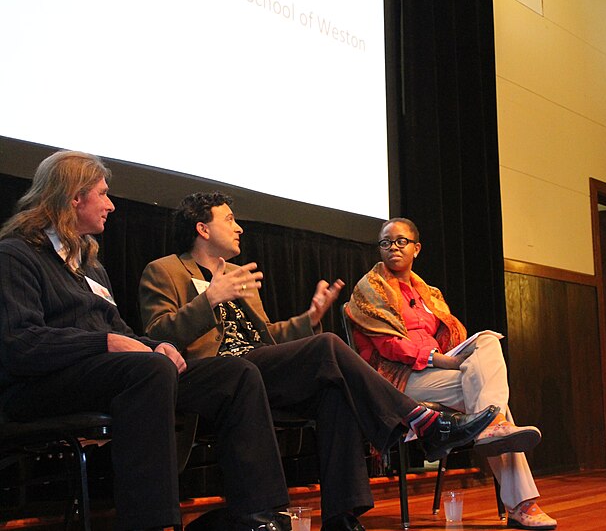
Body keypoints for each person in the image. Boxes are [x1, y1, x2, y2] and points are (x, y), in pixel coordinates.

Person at [137, 192, 499, 531]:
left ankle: (341, 514)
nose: (239, 227)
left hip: (257, 369)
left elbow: (268, 337)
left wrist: (309, 318)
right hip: (212, 376)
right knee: (326, 346)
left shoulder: (237, 276)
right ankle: (423, 422)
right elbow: (157, 334)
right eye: (230, 220)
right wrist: (210, 299)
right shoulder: (165, 270)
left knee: (334, 391)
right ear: (202, 229)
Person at [0, 151, 295, 531]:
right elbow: (19, 344)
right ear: (75, 197)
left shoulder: (89, 264)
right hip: (39, 387)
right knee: (149, 370)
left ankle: (257, 517)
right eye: (103, 194)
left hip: (109, 375)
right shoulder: (16, 255)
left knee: (235, 374)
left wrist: (155, 345)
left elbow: (119, 330)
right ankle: (151, 524)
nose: (110, 205)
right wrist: (105, 344)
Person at [347, 218, 557, 530]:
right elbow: (389, 346)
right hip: (400, 378)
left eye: (400, 241)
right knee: (488, 404)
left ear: (416, 248)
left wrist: (454, 357)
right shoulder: (368, 290)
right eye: (385, 242)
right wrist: (438, 359)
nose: (393, 247)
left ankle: (492, 426)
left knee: (487, 340)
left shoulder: (429, 294)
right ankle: (521, 502)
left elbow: (454, 339)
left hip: (439, 371)